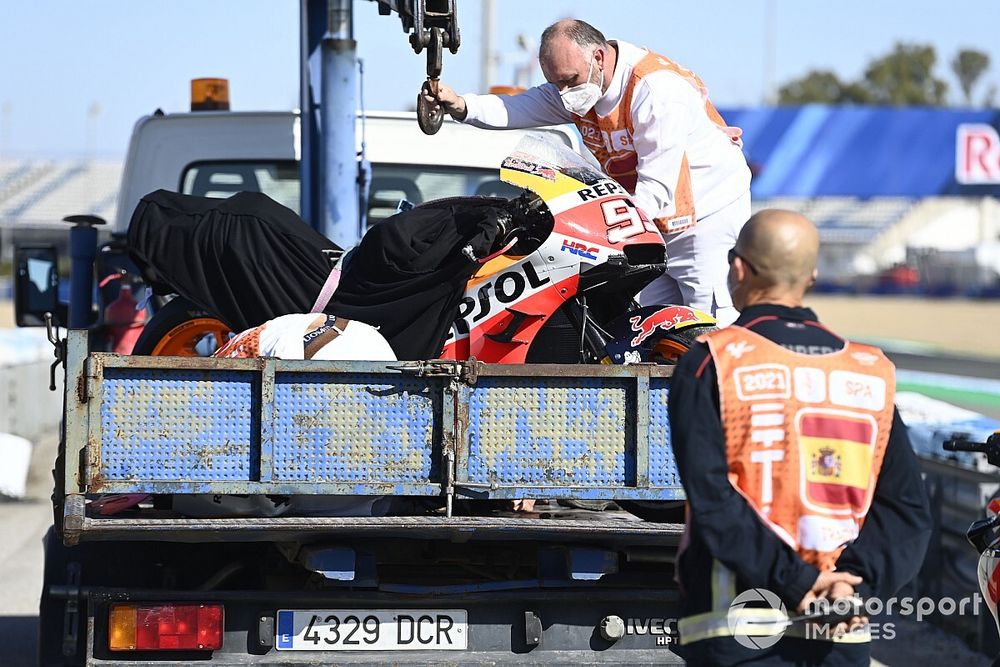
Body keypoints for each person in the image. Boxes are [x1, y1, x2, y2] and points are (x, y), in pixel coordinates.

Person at [668, 210, 932, 665]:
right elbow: (907, 510)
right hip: (840, 630)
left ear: (738, 269)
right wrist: (851, 585)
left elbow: (713, 499)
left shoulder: (712, 362)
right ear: (811, 275)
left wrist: (798, 582)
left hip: (732, 629)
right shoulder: (869, 372)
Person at [424, 19, 751, 325]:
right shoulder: (579, 87)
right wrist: (460, 105)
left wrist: (596, 237)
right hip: (651, 226)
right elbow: (516, 107)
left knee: (710, 325)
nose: (564, 93)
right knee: (657, 326)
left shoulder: (654, 91)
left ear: (598, 56)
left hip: (703, 220)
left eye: (569, 81)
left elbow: (658, 191)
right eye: (556, 84)